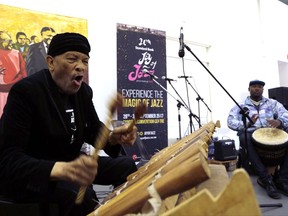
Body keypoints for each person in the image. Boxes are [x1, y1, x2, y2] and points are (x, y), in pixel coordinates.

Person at [0, 32, 138, 216]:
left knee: (127, 166)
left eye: (85, 61)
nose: (81, 67)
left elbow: (92, 130)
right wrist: (60, 169)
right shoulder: (26, 92)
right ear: (51, 62)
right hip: (36, 175)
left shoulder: (83, 92)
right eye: (72, 59)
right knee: (79, 193)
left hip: (70, 164)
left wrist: (112, 138)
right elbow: (8, 159)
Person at [227, 79, 288, 199]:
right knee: (245, 138)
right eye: (254, 86)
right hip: (251, 132)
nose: (257, 88)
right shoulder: (241, 105)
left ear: (263, 89)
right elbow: (230, 121)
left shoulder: (272, 103)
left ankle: (282, 178)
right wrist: (246, 125)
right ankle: (267, 179)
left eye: (259, 87)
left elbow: (286, 114)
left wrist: (280, 121)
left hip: (271, 132)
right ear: (249, 89)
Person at [0, 30, 27, 117]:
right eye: (7, 40)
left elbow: (23, 72)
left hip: (15, 91)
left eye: (10, 40)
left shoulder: (16, 53)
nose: (10, 42)